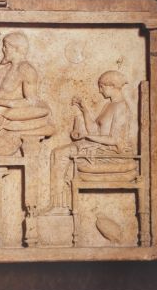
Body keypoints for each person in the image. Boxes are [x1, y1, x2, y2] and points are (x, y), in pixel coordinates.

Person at [43, 70, 134, 214]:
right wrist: (84, 108)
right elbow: (94, 130)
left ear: (112, 86)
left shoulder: (121, 107)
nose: (100, 90)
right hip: (97, 145)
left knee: (60, 153)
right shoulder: (108, 105)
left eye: (102, 87)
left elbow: (114, 140)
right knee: (56, 153)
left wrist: (87, 137)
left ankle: (59, 207)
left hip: (108, 151)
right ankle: (58, 204)